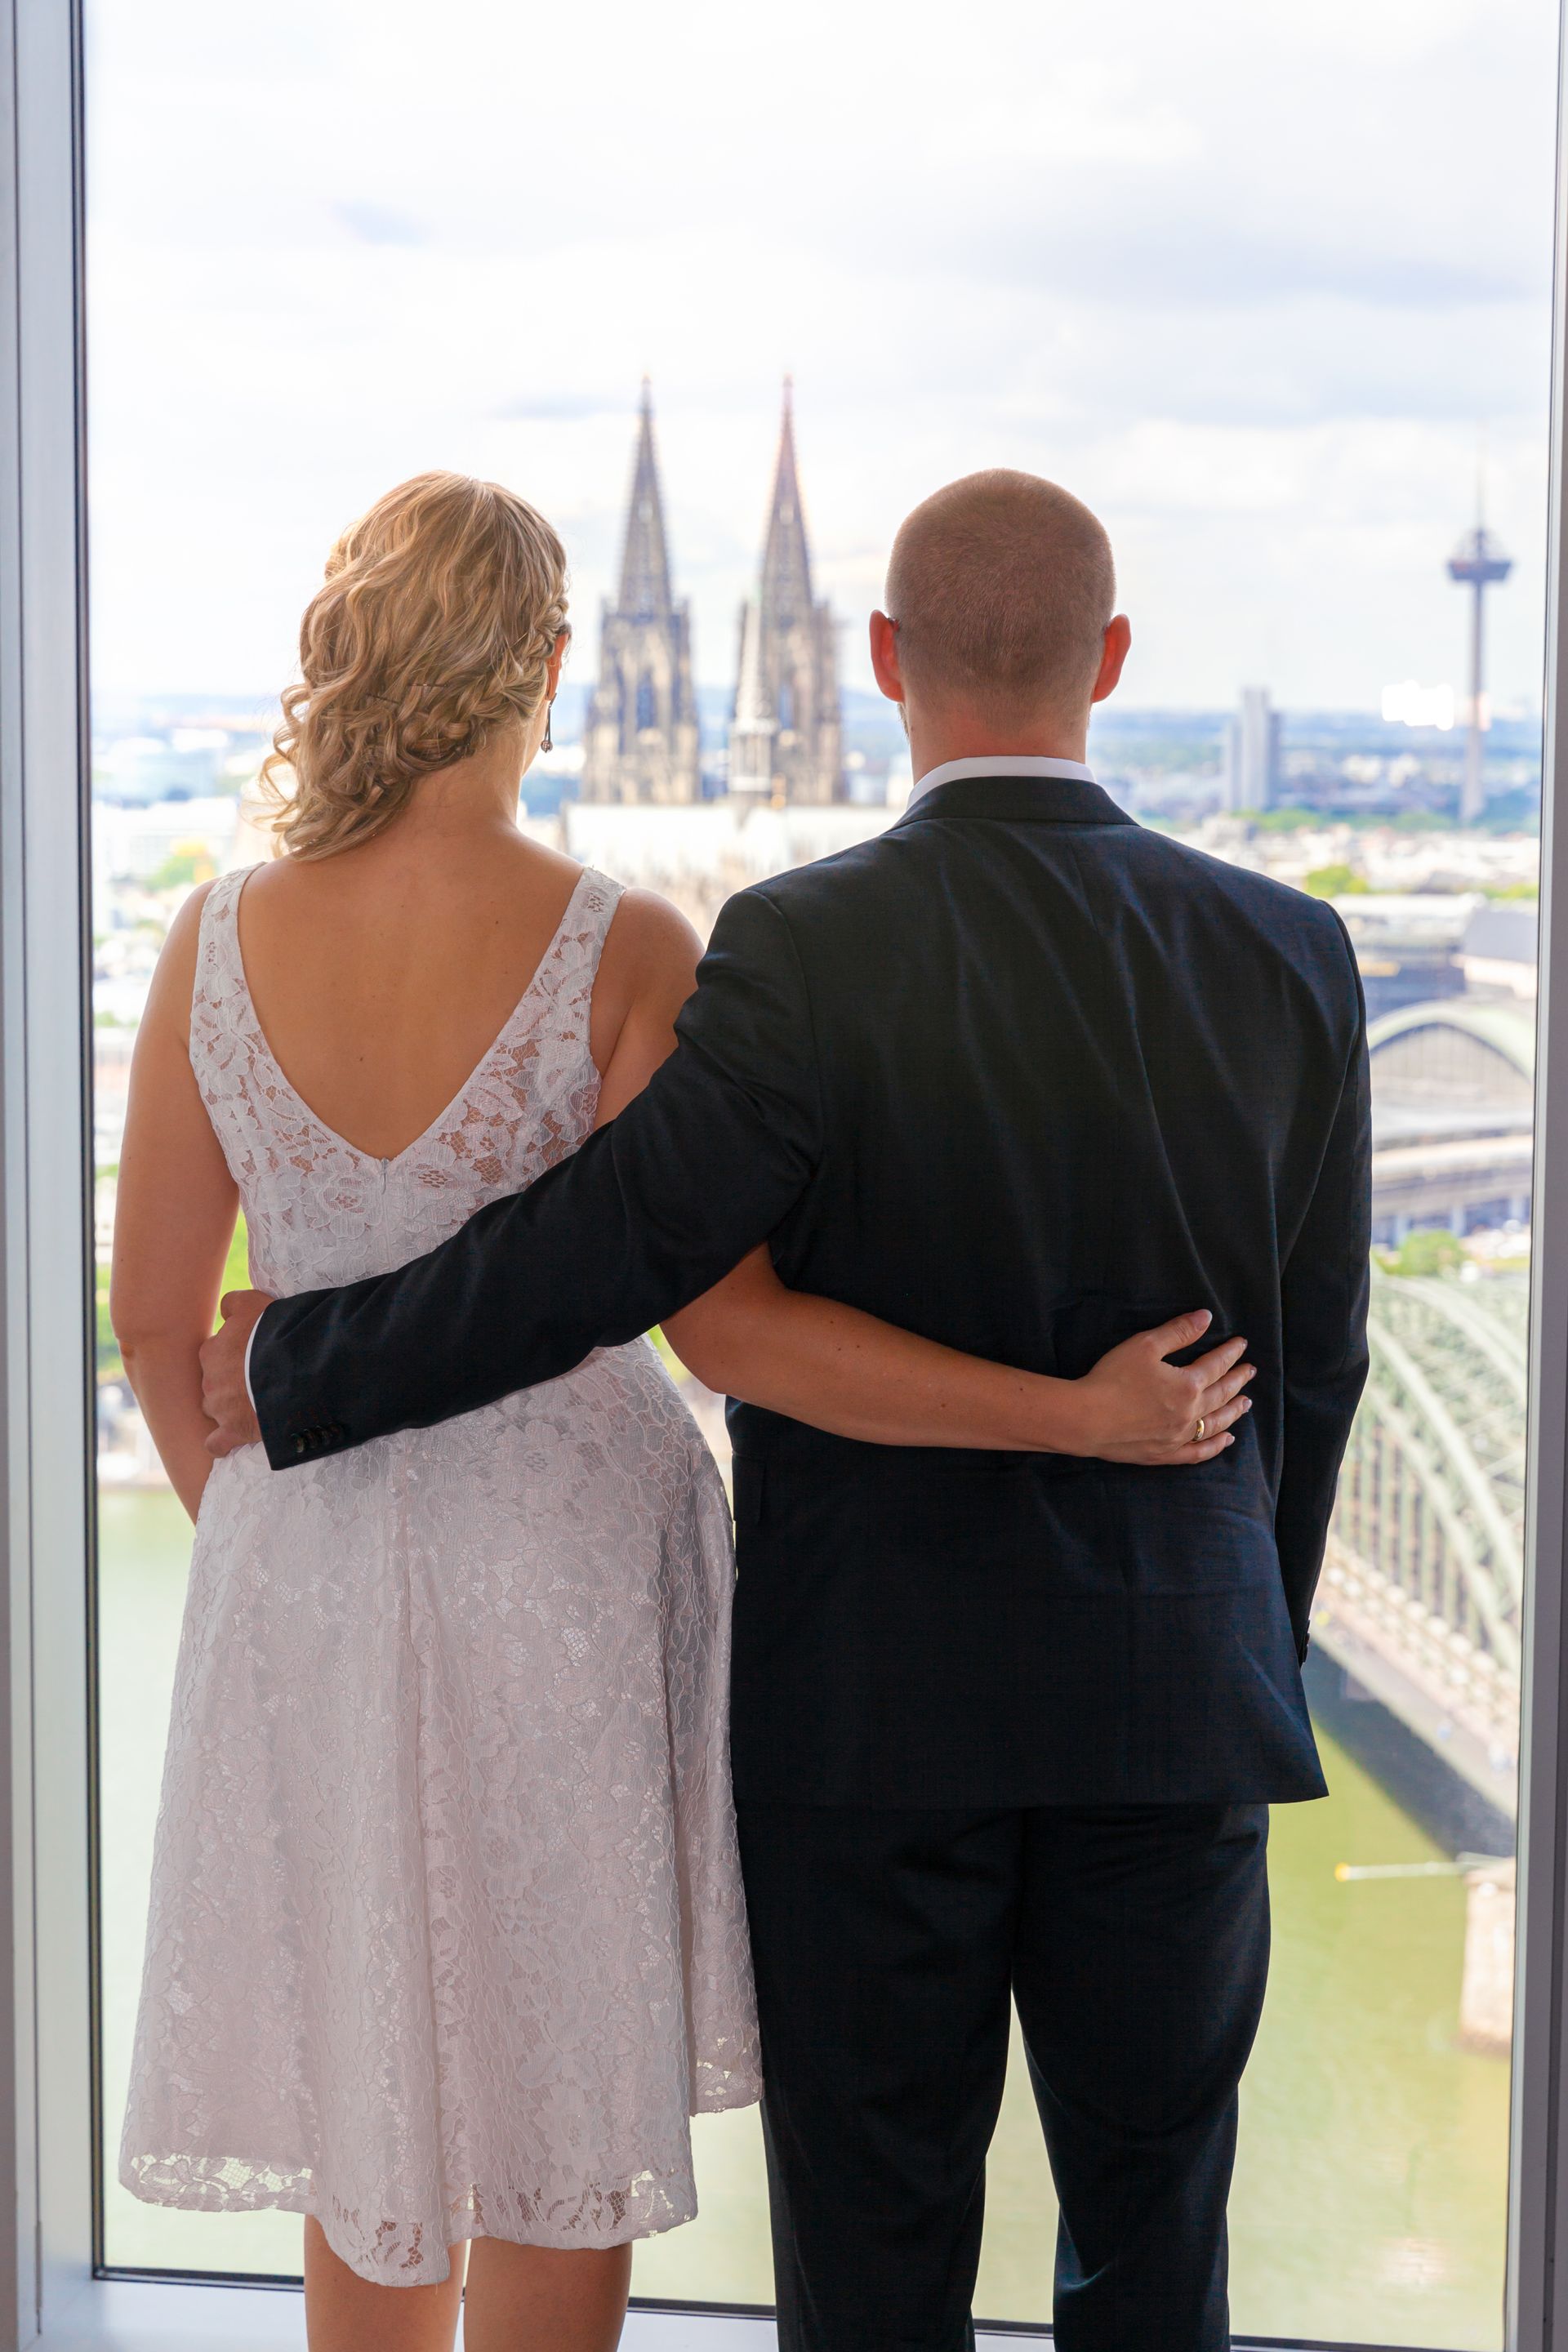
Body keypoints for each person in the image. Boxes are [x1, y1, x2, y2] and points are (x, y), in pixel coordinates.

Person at [114, 470, 1254, 2352]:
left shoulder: (211, 941)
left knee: (368, 2124)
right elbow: (723, 1324)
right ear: (554, 665)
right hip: (569, 1586)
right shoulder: (625, 941)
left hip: (303, 1578)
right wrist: (1069, 1415)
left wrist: (277, 1566)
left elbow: (162, 1330)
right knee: (557, 2121)